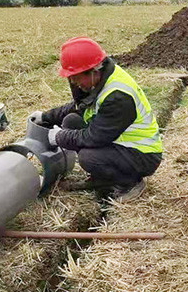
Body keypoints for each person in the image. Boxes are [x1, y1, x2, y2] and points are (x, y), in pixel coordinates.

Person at [29, 37, 162, 202]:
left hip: (142, 154)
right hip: (119, 141)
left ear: (93, 71)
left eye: (75, 77)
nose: (73, 82)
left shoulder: (118, 95)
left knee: (88, 157)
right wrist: (45, 116)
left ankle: (130, 183)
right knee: (71, 121)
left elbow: (94, 137)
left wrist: (58, 137)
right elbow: (79, 106)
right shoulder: (99, 80)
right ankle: (101, 179)